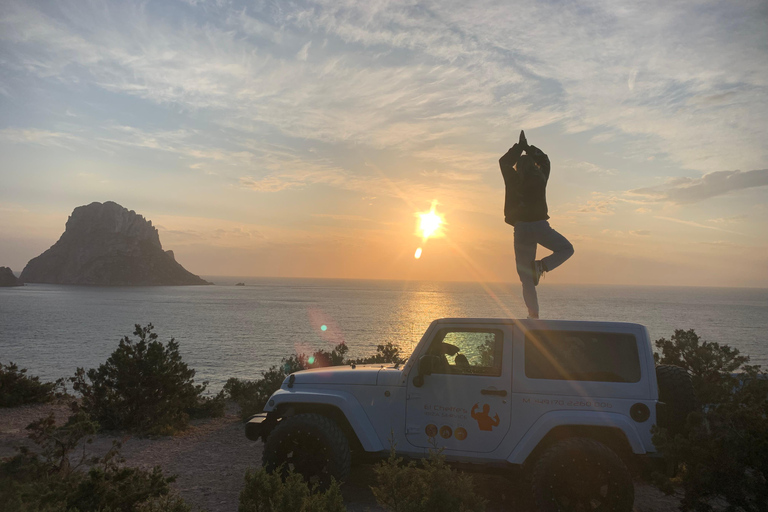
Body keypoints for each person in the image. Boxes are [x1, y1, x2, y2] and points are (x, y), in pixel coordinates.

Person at [499, 130, 573, 319]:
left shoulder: (513, 178)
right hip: (540, 226)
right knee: (566, 249)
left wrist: (518, 147)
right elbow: (546, 160)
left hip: (522, 228)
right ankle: (542, 266)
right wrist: (528, 147)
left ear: (517, 167)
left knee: (525, 277)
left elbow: (503, 162)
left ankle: (533, 314)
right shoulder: (540, 176)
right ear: (534, 165)